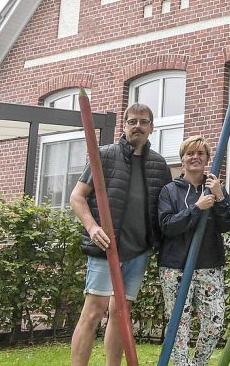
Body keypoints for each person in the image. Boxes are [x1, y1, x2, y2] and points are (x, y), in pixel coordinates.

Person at [69, 103, 172, 366]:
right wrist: (93, 228)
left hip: (138, 251)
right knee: (93, 311)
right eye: (132, 121)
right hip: (106, 248)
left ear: (151, 127)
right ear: (124, 126)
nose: (138, 126)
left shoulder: (159, 165)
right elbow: (77, 197)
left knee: (120, 314)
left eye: (144, 121)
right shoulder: (103, 156)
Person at [157, 135, 230, 366]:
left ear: (207, 159)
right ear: (182, 160)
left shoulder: (214, 188)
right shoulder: (169, 191)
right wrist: (196, 208)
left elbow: (228, 224)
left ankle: (199, 363)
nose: (195, 157)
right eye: (190, 153)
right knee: (178, 324)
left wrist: (220, 197)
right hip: (175, 266)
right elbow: (167, 226)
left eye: (200, 154)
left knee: (215, 322)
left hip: (209, 264)